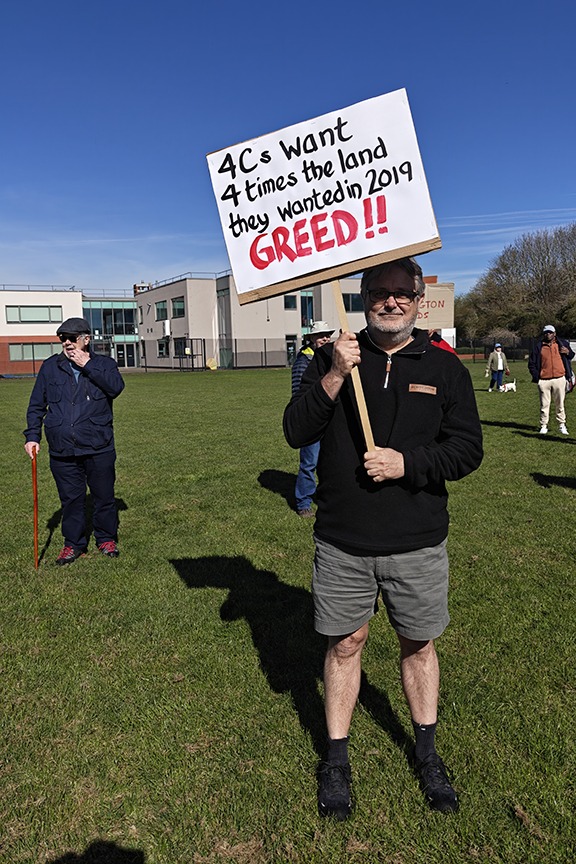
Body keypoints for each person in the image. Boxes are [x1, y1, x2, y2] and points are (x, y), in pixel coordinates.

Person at [283, 257, 483, 818]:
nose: (390, 301)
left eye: (402, 293)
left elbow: (468, 449)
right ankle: (338, 760)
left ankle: (426, 752)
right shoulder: (331, 355)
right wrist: (335, 375)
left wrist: (407, 463)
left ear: (421, 301)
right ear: (363, 297)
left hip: (417, 539)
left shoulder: (444, 367)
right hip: (344, 539)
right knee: (345, 644)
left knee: (418, 645)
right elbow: (295, 430)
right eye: (379, 291)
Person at [24, 317, 125, 564]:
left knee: (103, 497)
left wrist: (88, 365)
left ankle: (105, 539)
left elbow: (115, 388)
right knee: (71, 500)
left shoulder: (104, 364)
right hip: (62, 448)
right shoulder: (50, 367)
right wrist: (32, 436)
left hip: (98, 444)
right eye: (63, 339)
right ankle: (73, 544)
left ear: (86, 339)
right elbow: (37, 404)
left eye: (72, 338)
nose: (67, 343)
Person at [291, 321, 335, 517]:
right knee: (309, 462)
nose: (325, 338)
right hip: (312, 417)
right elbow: (299, 393)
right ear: (310, 339)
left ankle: (328, 497)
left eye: (327, 334)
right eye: (320, 335)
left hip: (331, 415)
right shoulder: (304, 361)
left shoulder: (329, 357)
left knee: (330, 460)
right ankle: (303, 503)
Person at [528, 325, 574, 435]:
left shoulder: (562, 344)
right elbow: (531, 364)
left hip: (559, 378)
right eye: (546, 333)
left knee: (560, 404)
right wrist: (537, 377)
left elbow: (571, 355)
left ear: (554, 333)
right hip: (544, 380)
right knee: (544, 404)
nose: (548, 334)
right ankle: (544, 425)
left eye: (550, 332)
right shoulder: (539, 346)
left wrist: (567, 352)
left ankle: (562, 425)